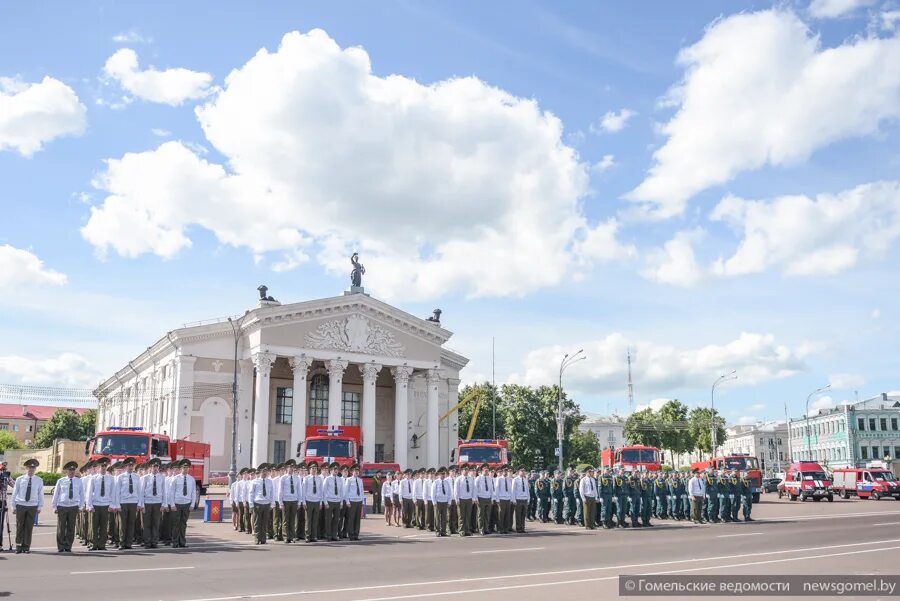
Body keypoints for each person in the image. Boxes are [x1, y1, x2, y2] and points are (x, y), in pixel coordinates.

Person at [52, 460, 83, 552]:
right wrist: (54, 506)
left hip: (73, 506)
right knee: (61, 527)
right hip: (62, 506)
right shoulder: (61, 481)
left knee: (71, 527)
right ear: (67, 471)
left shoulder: (79, 481)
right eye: (70, 470)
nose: (72, 472)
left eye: (73, 470)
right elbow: (56, 494)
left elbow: (82, 494)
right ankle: (61, 546)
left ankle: (68, 546)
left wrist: (81, 506)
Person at [85, 458, 114, 550]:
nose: (104, 468)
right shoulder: (93, 478)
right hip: (96, 505)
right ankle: (93, 544)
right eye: (102, 466)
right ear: (98, 467)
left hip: (105, 505)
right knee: (94, 526)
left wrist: (111, 505)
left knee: (104, 526)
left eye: (105, 466)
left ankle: (102, 545)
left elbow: (112, 492)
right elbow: (89, 492)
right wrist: (89, 505)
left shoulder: (110, 478)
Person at [114, 457, 142, 549]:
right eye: (129, 465)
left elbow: (139, 491)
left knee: (131, 524)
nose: (131, 467)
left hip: (133, 502)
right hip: (123, 502)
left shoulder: (137, 477)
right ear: (125, 466)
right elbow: (117, 492)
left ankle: (129, 543)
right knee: (123, 524)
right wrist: (117, 505)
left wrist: (139, 504)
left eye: (132, 465)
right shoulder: (120, 477)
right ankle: (122, 543)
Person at [167, 459, 196, 548]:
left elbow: (193, 492)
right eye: (184, 467)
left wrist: (192, 504)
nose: (186, 469)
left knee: (183, 524)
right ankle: (175, 542)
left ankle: (182, 542)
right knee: (176, 524)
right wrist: (172, 504)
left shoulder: (191, 479)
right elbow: (171, 492)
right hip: (177, 504)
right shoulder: (175, 479)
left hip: (186, 504)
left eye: (187, 468)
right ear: (180, 469)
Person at [140, 458, 166, 548]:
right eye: (153, 467)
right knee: (146, 524)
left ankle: (154, 542)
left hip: (157, 503)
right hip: (147, 503)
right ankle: (147, 542)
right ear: (150, 467)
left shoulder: (162, 478)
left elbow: (164, 491)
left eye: (157, 467)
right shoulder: (145, 478)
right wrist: (142, 505)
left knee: (156, 523)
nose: (155, 468)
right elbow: (141, 492)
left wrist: (163, 504)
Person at [278, 460, 302, 543]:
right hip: (286, 500)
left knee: (292, 520)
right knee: (285, 520)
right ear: (287, 468)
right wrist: (280, 503)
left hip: (294, 500)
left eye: (292, 467)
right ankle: (285, 536)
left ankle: (291, 537)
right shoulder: (283, 478)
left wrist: (299, 502)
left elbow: (299, 490)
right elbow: (280, 491)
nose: (291, 469)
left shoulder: (297, 478)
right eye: (290, 467)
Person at [342, 464, 365, 541]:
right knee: (351, 519)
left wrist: (362, 501)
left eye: (358, 471)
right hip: (352, 501)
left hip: (358, 501)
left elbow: (361, 491)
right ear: (352, 472)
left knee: (357, 519)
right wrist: (347, 501)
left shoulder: (360, 480)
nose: (357, 472)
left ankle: (356, 534)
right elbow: (346, 491)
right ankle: (351, 534)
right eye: (355, 471)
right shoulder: (349, 480)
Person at [303, 462, 324, 542]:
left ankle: (314, 536)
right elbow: (303, 491)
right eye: (312, 469)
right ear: (309, 470)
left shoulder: (319, 479)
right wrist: (304, 502)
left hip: (317, 501)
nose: (314, 470)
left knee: (315, 519)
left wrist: (321, 502)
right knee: (308, 519)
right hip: (309, 501)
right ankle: (307, 536)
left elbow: (321, 491)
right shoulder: (306, 478)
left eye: (315, 469)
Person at [323, 462, 344, 542]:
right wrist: (325, 502)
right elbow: (324, 491)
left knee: (336, 519)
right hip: (330, 501)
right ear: (330, 470)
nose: (336, 471)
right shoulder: (327, 479)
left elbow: (341, 491)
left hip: (337, 501)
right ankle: (328, 535)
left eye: (337, 470)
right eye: (334, 470)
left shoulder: (339, 479)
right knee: (328, 519)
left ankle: (334, 535)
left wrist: (341, 502)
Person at [453, 463, 475, 536]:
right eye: (465, 470)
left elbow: (473, 489)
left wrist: (473, 498)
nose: (466, 471)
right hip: (461, 499)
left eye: (467, 470)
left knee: (468, 516)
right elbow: (456, 490)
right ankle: (461, 530)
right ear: (462, 470)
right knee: (461, 516)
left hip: (469, 499)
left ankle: (467, 530)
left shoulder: (470, 478)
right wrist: (457, 499)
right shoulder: (458, 479)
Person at [474, 464, 495, 535]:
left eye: (487, 470)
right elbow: (475, 489)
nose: (487, 472)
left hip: (488, 498)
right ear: (482, 471)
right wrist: (476, 498)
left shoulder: (489, 479)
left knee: (487, 515)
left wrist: (491, 498)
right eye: (485, 470)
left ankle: (486, 529)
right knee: (480, 515)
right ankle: (481, 529)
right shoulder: (478, 478)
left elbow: (491, 489)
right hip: (481, 498)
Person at [431, 467, 451, 537]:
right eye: (441, 474)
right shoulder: (436, 482)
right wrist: (434, 502)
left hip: (445, 502)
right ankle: (437, 531)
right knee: (437, 517)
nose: (443, 475)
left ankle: (443, 531)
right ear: (439, 474)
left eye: (444, 474)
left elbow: (449, 493)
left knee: (444, 518)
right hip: (438, 502)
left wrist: (449, 502)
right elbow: (433, 493)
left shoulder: (447, 482)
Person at [494, 465, 512, 534]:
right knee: (501, 515)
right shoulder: (499, 479)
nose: (506, 472)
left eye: (506, 471)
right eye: (504, 471)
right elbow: (497, 490)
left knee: (507, 515)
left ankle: (506, 528)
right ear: (502, 472)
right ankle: (500, 529)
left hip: (507, 499)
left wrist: (510, 498)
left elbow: (510, 490)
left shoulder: (509, 479)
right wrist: (497, 499)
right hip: (501, 499)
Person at [511, 466, 530, 534]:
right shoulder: (515, 479)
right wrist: (514, 500)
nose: (523, 472)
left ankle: (522, 528)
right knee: (518, 515)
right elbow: (513, 490)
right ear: (519, 472)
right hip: (518, 499)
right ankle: (518, 528)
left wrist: (528, 499)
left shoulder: (525, 480)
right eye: (522, 471)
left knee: (523, 515)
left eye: (524, 471)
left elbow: (527, 490)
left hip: (524, 499)